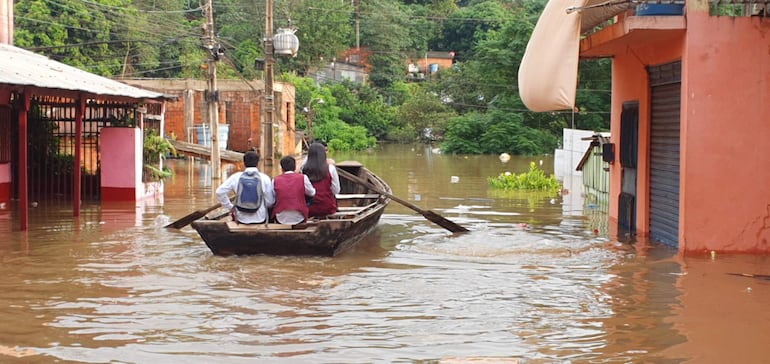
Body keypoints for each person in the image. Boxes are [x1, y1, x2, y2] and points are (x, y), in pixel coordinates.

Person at [215, 150, 275, 224]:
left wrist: (230, 207)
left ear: (244, 163)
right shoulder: (265, 178)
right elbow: (270, 202)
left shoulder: (236, 177)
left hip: (241, 218)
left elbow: (219, 192)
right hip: (260, 218)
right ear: (258, 164)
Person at [272, 156, 316, 224]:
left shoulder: (275, 180)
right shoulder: (303, 177)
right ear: (295, 167)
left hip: (280, 218)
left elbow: (272, 199)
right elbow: (312, 193)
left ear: (282, 169)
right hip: (300, 217)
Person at [302, 142, 340, 217]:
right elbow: (336, 190)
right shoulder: (330, 168)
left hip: (309, 209)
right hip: (327, 208)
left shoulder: (303, 170)